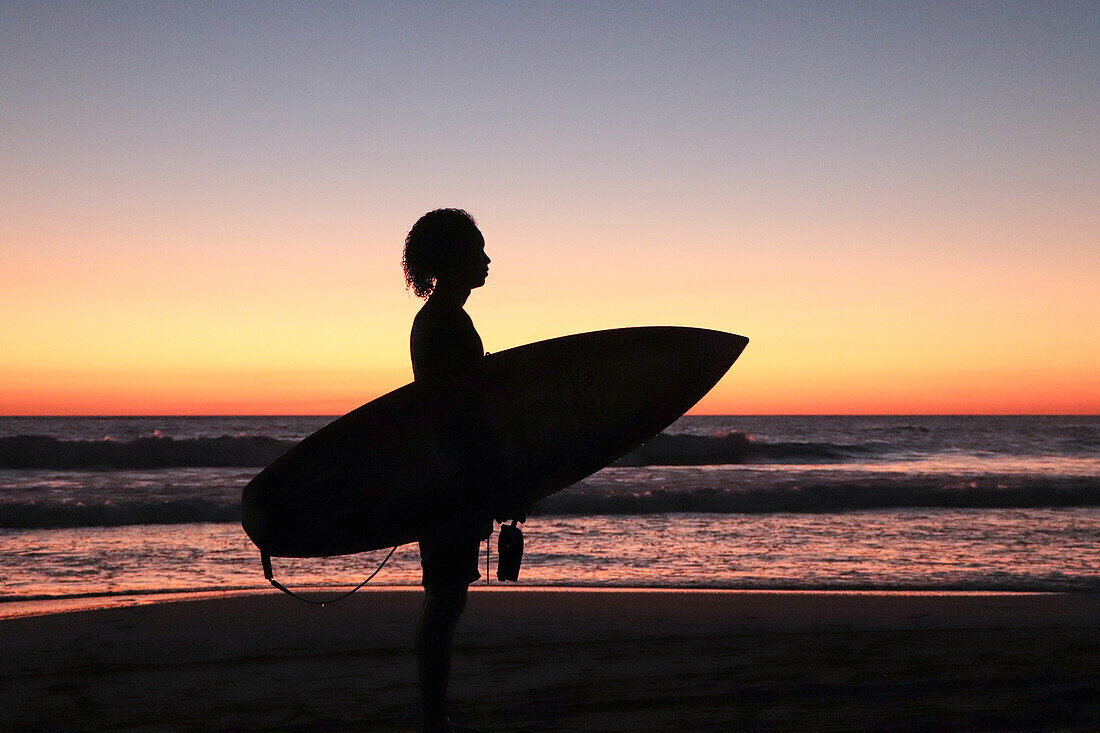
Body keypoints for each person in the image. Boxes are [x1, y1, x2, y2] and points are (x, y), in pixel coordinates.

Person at [403, 208, 499, 733]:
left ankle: (433, 711)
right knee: (445, 602)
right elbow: (458, 415)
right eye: (478, 250)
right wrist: (487, 480)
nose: (487, 260)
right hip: (448, 480)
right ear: (454, 259)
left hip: (443, 476)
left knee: (446, 599)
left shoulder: (442, 319)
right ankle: (433, 715)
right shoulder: (445, 322)